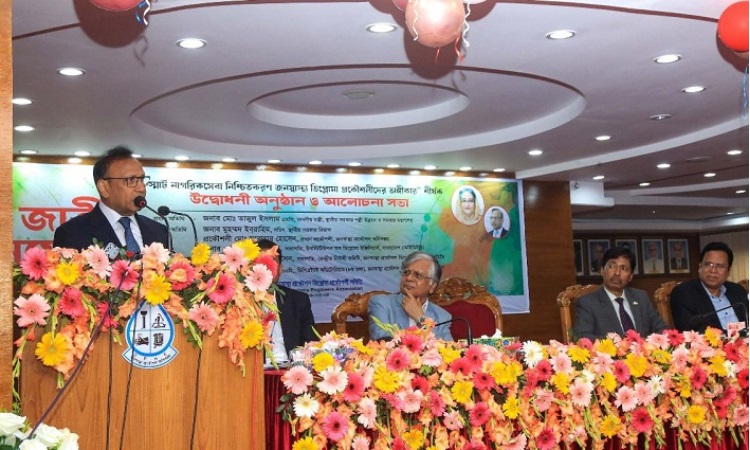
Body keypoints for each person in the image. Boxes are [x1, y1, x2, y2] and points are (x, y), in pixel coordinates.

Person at [53, 146, 168, 252]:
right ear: (104, 188)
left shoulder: (159, 231)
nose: (141, 188)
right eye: (131, 180)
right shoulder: (71, 233)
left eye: (142, 179)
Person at [574, 246, 668, 341]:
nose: (617, 273)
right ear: (602, 270)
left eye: (623, 268)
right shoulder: (588, 302)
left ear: (630, 277)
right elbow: (582, 336)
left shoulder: (641, 297)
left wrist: (647, 343)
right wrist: (620, 344)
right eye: (612, 266)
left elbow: (662, 329)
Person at [368, 251, 453, 341]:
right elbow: (382, 339)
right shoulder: (381, 304)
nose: (409, 278)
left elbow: (448, 347)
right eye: (406, 273)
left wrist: (421, 319)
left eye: (418, 275)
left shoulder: (442, 316)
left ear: (432, 286)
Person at [256, 239, 318, 362]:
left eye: (271, 264)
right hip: (254, 371)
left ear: (280, 269)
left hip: (291, 369)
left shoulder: (298, 301)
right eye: (261, 264)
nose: (266, 270)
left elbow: (311, 344)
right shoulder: (238, 303)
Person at [670, 242, 749, 333]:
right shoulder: (684, 293)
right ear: (700, 267)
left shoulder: (738, 290)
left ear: (728, 271)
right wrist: (732, 335)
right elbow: (689, 330)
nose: (713, 270)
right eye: (708, 264)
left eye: (720, 266)